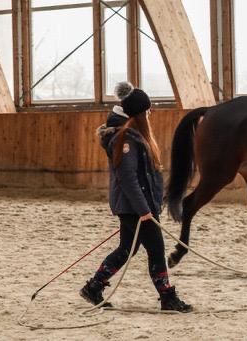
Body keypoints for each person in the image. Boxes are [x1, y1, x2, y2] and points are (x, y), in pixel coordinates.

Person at [80, 82, 192, 312]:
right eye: (147, 111)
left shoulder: (133, 136)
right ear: (139, 113)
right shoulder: (126, 141)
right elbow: (128, 180)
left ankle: (94, 286)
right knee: (157, 250)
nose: (150, 114)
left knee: (126, 249)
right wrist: (144, 211)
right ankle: (167, 297)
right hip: (135, 208)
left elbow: (145, 176)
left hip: (137, 207)